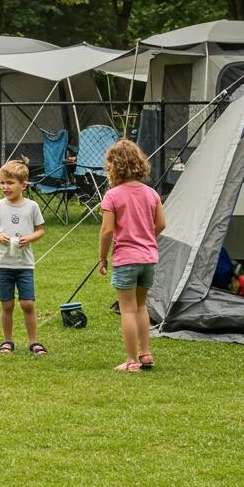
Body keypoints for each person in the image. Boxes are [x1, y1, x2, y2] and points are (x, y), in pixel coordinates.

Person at [98, 138, 166, 371]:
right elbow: (161, 224)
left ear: (113, 167)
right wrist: (146, 237)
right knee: (141, 306)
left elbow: (107, 230)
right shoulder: (151, 194)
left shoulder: (112, 196)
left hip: (126, 259)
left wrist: (102, 257)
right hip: (148, 259)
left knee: (126, 308)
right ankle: (145, 353)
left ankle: (131, 360)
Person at [0, 159, 47, 355]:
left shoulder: (32, 207)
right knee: (7, 304)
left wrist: (30, 238)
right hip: (3, 263)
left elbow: (40, 230)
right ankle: (7, 341)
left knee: (27, 304)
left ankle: (33, 342)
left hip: (25, 264)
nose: (5, 187)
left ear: (23, 185)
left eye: (10, 183)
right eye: (2, 182)